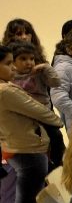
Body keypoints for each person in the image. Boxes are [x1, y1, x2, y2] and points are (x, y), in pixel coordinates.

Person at [0, 45, 65, 203]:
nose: (13, 68)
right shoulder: (7, 91)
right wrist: (57, 122)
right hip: (27, 150)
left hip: (25, 147)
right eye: (9, 63)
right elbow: (41, 111)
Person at [9, 41, 65, 170]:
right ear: (13, 61)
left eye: (31, 58)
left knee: (56, 136)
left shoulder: (39, 73)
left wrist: (47, 68)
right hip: (24, 117)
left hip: (43, 114)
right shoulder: (12, 77)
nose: (29, 62)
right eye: (23, 59)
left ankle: (58, 163)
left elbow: (56, 83)